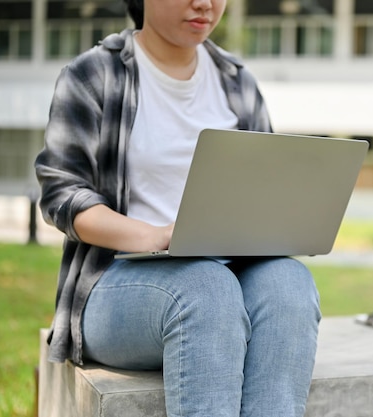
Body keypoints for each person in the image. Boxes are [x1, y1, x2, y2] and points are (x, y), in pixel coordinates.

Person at [34, 0, 321, 416]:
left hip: (232, 272)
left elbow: (264, 189)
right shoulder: (93, 75)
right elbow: (62, 194)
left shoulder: (237, 82)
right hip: (118, 283)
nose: (204, 4)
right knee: (205, 287)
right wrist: (157, 236)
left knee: (290, 283)